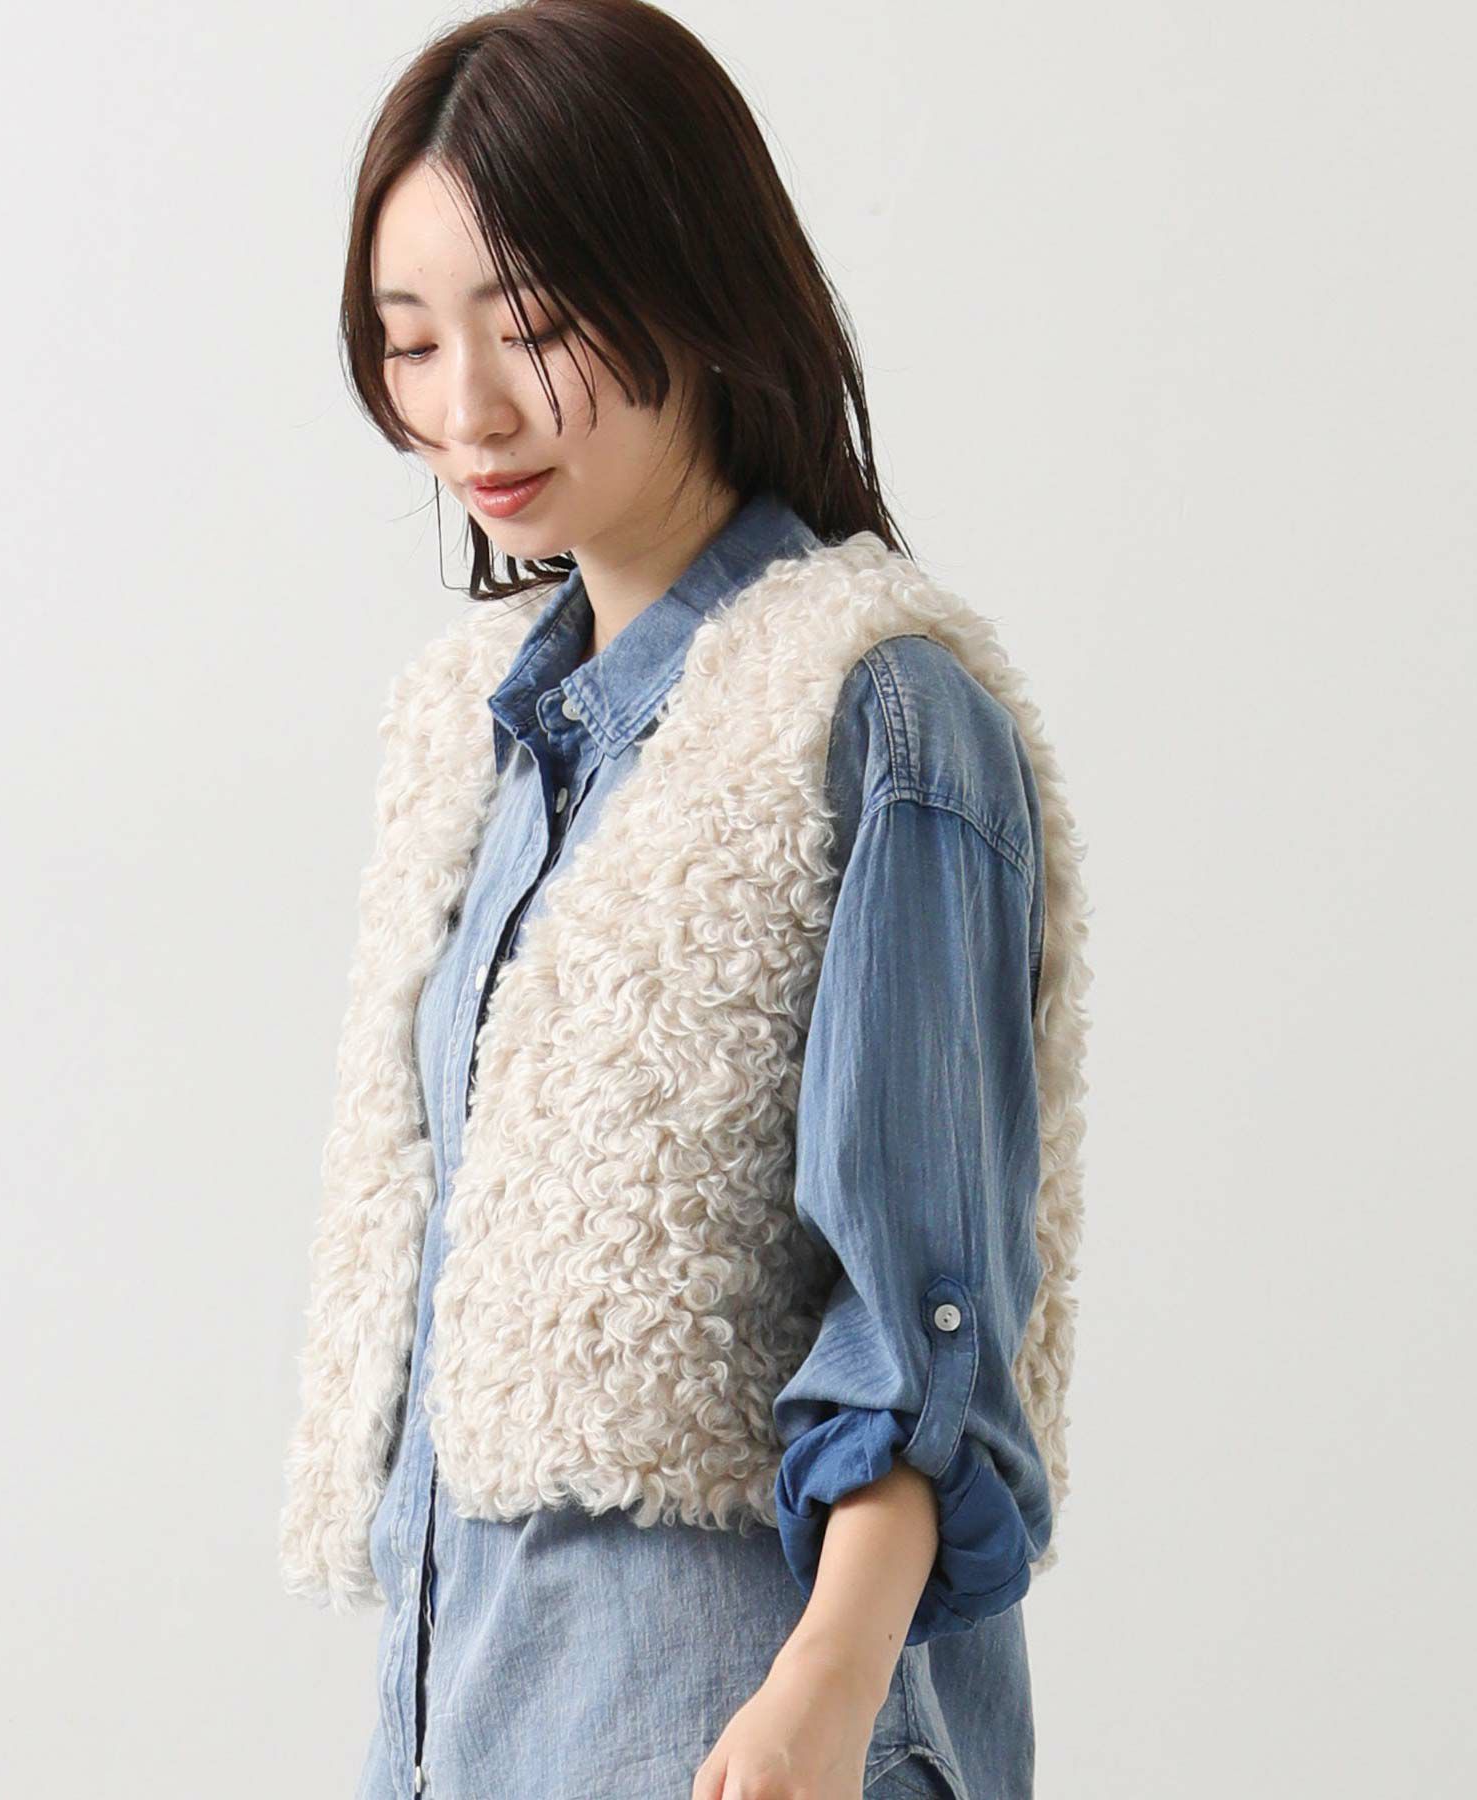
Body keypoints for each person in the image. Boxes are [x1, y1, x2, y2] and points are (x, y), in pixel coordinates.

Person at [277, 4, 1093, 1797]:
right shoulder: (480, 747)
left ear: (694, 286)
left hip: (744, 1732)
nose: (467, 410)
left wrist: (819, 1699)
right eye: (411, 344)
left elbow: (929, 1321)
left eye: (532, 326)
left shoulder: (875, 720)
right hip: (478, 1729)